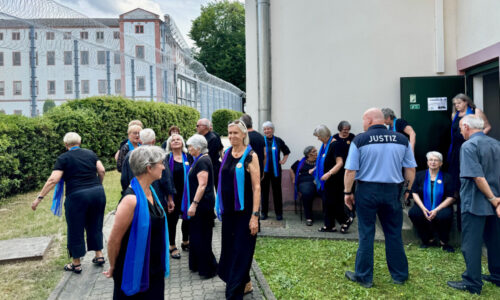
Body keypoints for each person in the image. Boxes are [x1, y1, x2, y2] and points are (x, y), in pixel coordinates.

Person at [344, 108, 416, 288]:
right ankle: (399, 275)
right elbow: (410, 169)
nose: (362, 123)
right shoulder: (401, 139)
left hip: (367, 190)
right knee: (393, 233)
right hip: (393, 191)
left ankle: (364, 276)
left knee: (366, 233)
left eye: (363, 120)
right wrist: (407, 190)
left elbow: (350, 171)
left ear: (369, 120)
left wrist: (347, 192)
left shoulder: (359, 140)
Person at [31, 132, 106, 274]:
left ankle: (76, 264)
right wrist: (98, 185)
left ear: (66, 145)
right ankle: (99, 255)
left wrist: (39, 198)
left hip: (76, 196)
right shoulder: (90, 153)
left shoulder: (63, 158)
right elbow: (101, 170)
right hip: (97, 194)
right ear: (80, 142)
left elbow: (53, 179)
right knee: (95, 223)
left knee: (75, 227)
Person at [105, 146, 169, 299]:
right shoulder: (130, 200)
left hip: (153, 266)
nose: (163, 167)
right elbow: (114, 240)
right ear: (149, 168)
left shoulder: (151, 191)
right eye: (161, 163)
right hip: (134, 268)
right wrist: (113, 265)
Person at [447, 115, 500, 295]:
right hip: (497, 204)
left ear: (467, 126)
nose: (460, 131)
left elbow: (477, 176)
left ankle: (472, 282)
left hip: (477, 202)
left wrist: (492, 198)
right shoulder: (496, 144)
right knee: (495, 241)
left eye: (461, 128)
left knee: (471, 243)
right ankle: (497, 275)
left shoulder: (468, 146)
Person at [216, 120, 260, 299]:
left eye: (235, 133)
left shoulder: (251, 155)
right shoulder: (226, 153)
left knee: (241, 250)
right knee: (229, 248)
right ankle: (246, 283)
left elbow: (257, 187)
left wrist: (255, 216)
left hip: (245, 213)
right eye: (230, 133)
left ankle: (233, 293)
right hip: (228, 212)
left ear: (243, 134)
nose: (232, 136)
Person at [447, 94, 491, 230]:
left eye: (459, 103)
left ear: (466, 102)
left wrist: (477, 139)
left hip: (470, 145)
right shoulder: (454, 114)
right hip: (456, 150)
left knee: (470, 175)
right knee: (456, 178)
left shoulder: (476, 112)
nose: (457, 106)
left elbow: (487, 126)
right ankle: (458, 204)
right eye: (455, 104)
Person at [408, 151, 455, 252]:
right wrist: (423, 208)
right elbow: (414, 193)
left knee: (444, 216)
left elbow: (451, 197)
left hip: (441, 206)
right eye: (431, 160)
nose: (433, 162)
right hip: (423, 205)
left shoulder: (447, 177)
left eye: (436, 160)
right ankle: (428, 239)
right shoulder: (420, 175)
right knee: (414, 213)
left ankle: (444, 242)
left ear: (441, 163)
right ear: (427, 162)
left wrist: (436, 210)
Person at [185, 134, 218, 278]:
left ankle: (208, 268)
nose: (188, 148)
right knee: (197, 236)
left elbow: (202, 184)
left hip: (202, 206)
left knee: (202, 237)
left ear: (198, 147)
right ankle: (199, 264)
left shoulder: (203, 161)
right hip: (200, 206)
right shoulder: (198, 159)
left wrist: (194, 204)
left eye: (190, 146)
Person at [313, 124, 349, 233]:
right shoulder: (324, 145)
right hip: (325, 181)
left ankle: (346, 220)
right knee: (327, 203)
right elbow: (323, 161)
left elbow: (340, 163)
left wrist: (329, 173)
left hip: (334, 180)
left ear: (324, 135)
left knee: (334, 203)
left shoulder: (335, 145)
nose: (317, 138)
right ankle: (330, 226)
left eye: (318, 136)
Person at [165, 133, 193, 259]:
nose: (176, 141)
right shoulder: (166, 158)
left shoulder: (189, 157)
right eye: (173, 140)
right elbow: (164, 178)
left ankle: (185, 241)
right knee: (173, 220)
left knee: (187, 218)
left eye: (178, 139)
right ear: (169, 144)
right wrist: (169, 197)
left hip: (187, 193)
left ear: (182, 142)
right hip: (173, 194)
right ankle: (172, 245)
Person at [260, 121, 290, 220]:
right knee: (264, 192)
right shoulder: (261, 140)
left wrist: (283, 160)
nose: (266, 131)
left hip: (276, 171)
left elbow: (286, 151)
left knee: (277, 192)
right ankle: (264, 213)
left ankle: (279, 213)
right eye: (265, 129)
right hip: (264, 171)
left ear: (272, 130)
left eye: (268, 128)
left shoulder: (278, 140)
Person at [333, 120, 356, 225]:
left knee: (351, 190)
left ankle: (351, 212)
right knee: (340, 192)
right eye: (344, 130)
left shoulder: (352, 137)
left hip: (350, 168)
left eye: (348, 130)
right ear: (339, 129)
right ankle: (342, 214)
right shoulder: (334, 138)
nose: (346, 132)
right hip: (338, 169)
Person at [290, 146, 318, 226]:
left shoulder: (319, 161)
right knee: (307, 193)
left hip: (317, 182)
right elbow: (291, 169)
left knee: (326, 192)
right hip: (304, 182)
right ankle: (309, 217)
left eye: (316, 151)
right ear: (308, 154)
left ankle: (328, 217)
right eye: (314, 151)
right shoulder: (301, 162)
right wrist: (293, 178)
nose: (316, 153)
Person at [196, 118, 223, 187]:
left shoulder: (212, 138)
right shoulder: (200, 137)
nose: (196, 127)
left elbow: (208, 155)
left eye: (198, 126)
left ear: (204, 127)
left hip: (212, 168)